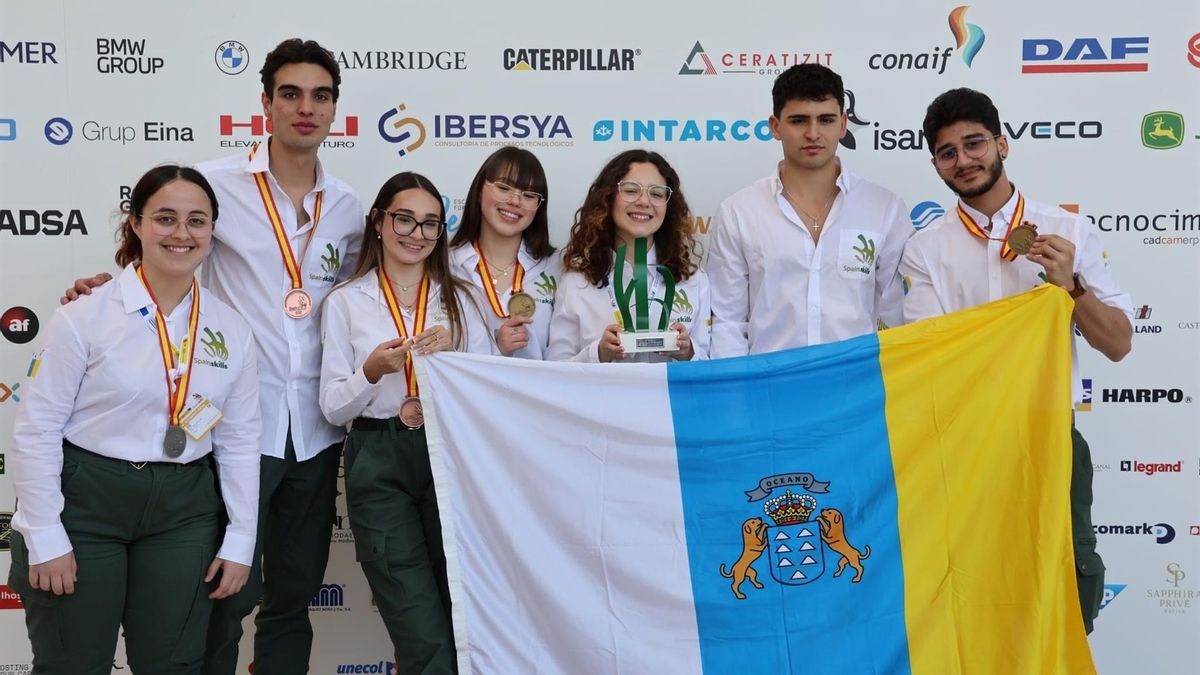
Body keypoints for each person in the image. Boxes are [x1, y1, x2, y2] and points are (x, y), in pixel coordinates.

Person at [62, 39, 364, 675]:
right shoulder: (217, 184)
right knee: (223, 593)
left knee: (292, 595)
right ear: (266, 104)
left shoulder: (349, 207)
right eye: (290, 94)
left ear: (335, 109)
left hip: (316, 426)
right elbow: (165, 252)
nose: (305, 108)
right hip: (230, 425)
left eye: (320, 96)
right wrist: (101, 287)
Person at [898, 87, 1133, 635]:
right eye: (947, 152)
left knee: (1068, 583)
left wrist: (1071, 287)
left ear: (1002, 142)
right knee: (972, 590)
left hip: (1049, 431)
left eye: (974, 143)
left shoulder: (1068, 231)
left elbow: (1119, 344)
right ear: (936, 165)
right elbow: (937, 354)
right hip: (962, 439)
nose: (964, 160)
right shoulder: (925, 248)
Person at [9, 166, 261, 673]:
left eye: (197, 220)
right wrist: (46, 534)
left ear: (213, 230)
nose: (182, 233)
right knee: (72, 665)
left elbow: (239, 440)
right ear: (138, 224)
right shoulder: (85, 316)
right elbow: (37, 430)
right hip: (85, 506)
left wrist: (240, 539)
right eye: (165, 218)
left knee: (173, 665)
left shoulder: (231, 329)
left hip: (183, 512)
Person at [319, 172, 493, 673]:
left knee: (468, 620)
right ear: (378, 221)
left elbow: (486, 389)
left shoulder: (462, 297)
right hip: (380, 458)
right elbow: (333, 408)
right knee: (420, 630)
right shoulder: (346, 302)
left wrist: (456, 355)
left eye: (430, 224)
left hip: (452, 459)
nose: (417, 234)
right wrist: (371, 372)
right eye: (404, 219)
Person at [706, 64, 912, 357]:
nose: (813, 133)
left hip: (856, 389)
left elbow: (898, 315)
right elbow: (728, 322)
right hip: (769, 389)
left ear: (842, 125)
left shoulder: (884, 208)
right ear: (775, 127)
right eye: (799, 120)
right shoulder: (739, 211)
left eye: (825, 120)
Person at [547, 149, 709, 363]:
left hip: (669, 396)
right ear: (608, 197)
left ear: (668, 206)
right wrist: (598, 353)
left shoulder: (693, 279)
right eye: (631, 190)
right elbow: (555, 370)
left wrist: (688, 352)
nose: (644, 201)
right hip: (602, 396)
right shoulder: (577, 281)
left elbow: (710, 365)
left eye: (657, 193)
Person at [449, 146, 561, 359]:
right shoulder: (444, 266)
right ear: (479, 191)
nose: (515, 201)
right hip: (465, 393)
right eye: (504, 188)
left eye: (529, 195)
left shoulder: (558, 266)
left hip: (538, 392)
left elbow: (566, 352)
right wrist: (495, 348)